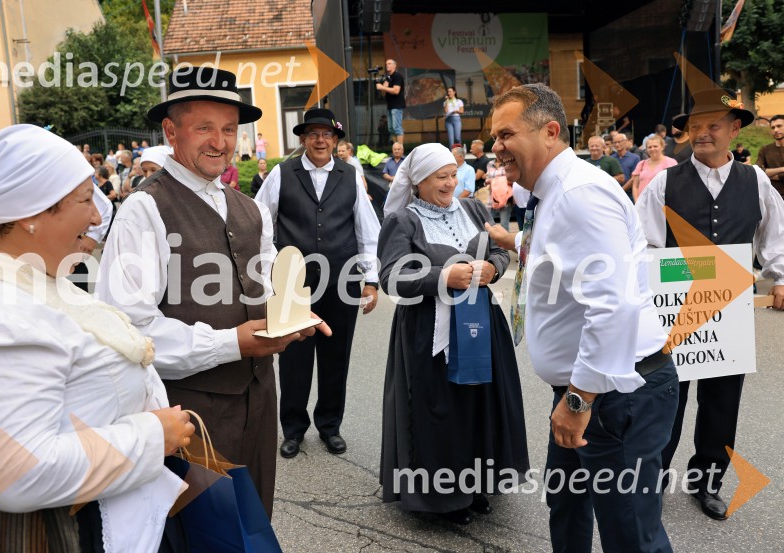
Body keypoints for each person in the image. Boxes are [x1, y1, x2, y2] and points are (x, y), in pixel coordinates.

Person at [96, 67, 329, 518]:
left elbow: (265, 287)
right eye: (204, 127)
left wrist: (295, 316)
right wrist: (230, 343)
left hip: (259, 399)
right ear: (171, 130)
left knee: (253, 519)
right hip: (188, 412)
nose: (220, 142)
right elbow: (128, 331)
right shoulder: (144, 210)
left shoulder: (250, 208)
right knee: (199, 530)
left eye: (228, 129)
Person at [0, 124, 194, 551]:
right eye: (85, 200)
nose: (98, 217)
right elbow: (14, 472)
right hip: (49, 534)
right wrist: (154, 436)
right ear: (31, 214)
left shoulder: (27, 277)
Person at [485, 84, 677, 553]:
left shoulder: (577, 195)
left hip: (611, 395)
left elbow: (612, 304)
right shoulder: (551, 192)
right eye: (494, 137)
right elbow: (562, 261)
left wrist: (578, 400)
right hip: (588, 390)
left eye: (506, 134)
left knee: (629, 533)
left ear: (550, 131)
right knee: (568, 507)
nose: (495, 148)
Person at [636, 88, 784, 520]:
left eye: (712, 125)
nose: (701, 133)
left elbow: (774, 236)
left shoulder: (755, 180)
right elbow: (640, 242)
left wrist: (780, 278)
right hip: (674, 314)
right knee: (666, 398)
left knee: (722, 403)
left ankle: (708, 482)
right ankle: (654, 478)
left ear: (735, 129)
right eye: (695, 126)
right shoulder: (664, 181)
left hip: (730, 313)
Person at [378, 143, 529, 525]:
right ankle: (443, 499)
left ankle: (476, 484)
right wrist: (443, 277)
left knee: (479, 402)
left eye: (452, 174)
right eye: (440, 177)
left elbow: (497, 249)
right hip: (430, 329)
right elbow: (391, 276)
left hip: (481, 320)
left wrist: (493, 268)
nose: (449, 183)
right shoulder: (404, 221)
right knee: (440, 408)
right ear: (419, 181)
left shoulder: (475, 208)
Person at [255, 108, 380, 460]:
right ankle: (293, 429)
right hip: (293, 282)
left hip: (342, 280)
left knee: (335, 356)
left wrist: (370, 280)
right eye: (313, 133)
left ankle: (330, 426)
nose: (320, 139)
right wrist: (268, 274)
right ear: (303, 139)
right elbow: (260, 222)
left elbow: (367, 232)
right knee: (294, 358)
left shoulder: (350, 175)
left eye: (326, 134)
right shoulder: (282, 173)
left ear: (336, 140)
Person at [631, 135, 677, 202]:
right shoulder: (641, 164)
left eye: (655, 146)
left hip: (662, 205)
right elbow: (635, 186)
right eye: (649, 147)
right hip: (642, 205)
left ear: (662, 147)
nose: (652, 149)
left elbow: (675, 185)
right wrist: (637, 202)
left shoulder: (671, 162)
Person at [376, 59, 406, 144]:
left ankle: (400, 149)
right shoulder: (388, 78)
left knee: (397, 128)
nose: (387, 65)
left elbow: (396, 90)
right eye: (386, 64)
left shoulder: (397, 76)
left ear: (394, 65)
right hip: (390, 105)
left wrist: (382, 87)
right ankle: (396, 148)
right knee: (391, 129)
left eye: (389, 63)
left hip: (397, 105)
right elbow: (384, 94)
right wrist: (383, 87)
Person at [755, 114, 784, 200]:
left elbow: (762, 173)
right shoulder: (765, 149)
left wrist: (768, 174)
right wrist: (782, 169)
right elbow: (757, 171)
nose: (775, 130)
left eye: (779, 126)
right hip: (772, 197)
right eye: (773, 127)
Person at [611, 131, 640, 200]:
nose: (617, 144)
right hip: (614, 193)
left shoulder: (634, 158)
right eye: (615, 142)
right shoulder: (611, 158)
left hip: (630, 194)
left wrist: (622, 190)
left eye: (619, 142)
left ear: (626, 141)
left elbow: (634, 178)